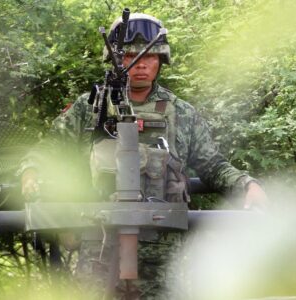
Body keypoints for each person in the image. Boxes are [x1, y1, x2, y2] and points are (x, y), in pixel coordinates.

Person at [20, 12, 267, 298]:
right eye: (130, 55)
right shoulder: (91, 108)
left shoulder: (181, 113)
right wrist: (31, 171)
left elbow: (212, 164)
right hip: (99, 246)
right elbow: (49, 148)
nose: (140, 64)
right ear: (115, 60)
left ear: (161, 60)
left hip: (160, 254)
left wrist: (247, 185)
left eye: (150, 57)